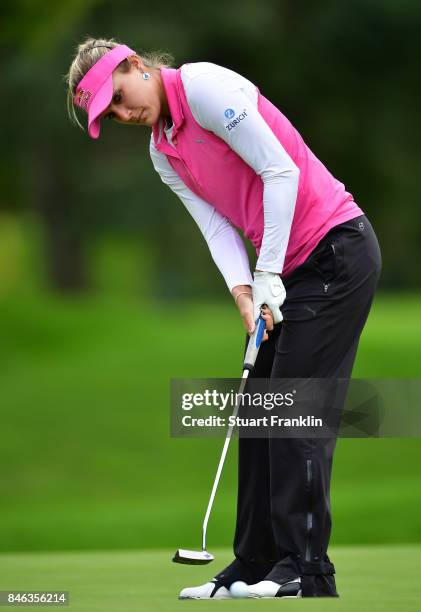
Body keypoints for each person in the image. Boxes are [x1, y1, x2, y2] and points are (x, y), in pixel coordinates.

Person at [66, 38, 382, 599]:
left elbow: (279, 172)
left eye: (117, 97)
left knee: (292, 411)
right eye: (109, 114)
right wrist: (243, 291)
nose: (122, 114)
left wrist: (266, 273)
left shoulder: (206, 88)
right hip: (284, 270)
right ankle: (255, 562)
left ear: (138, 66)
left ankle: (306, 571)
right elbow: (216, 226)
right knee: (257, 410)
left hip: (335, 250)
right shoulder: (163, 152)